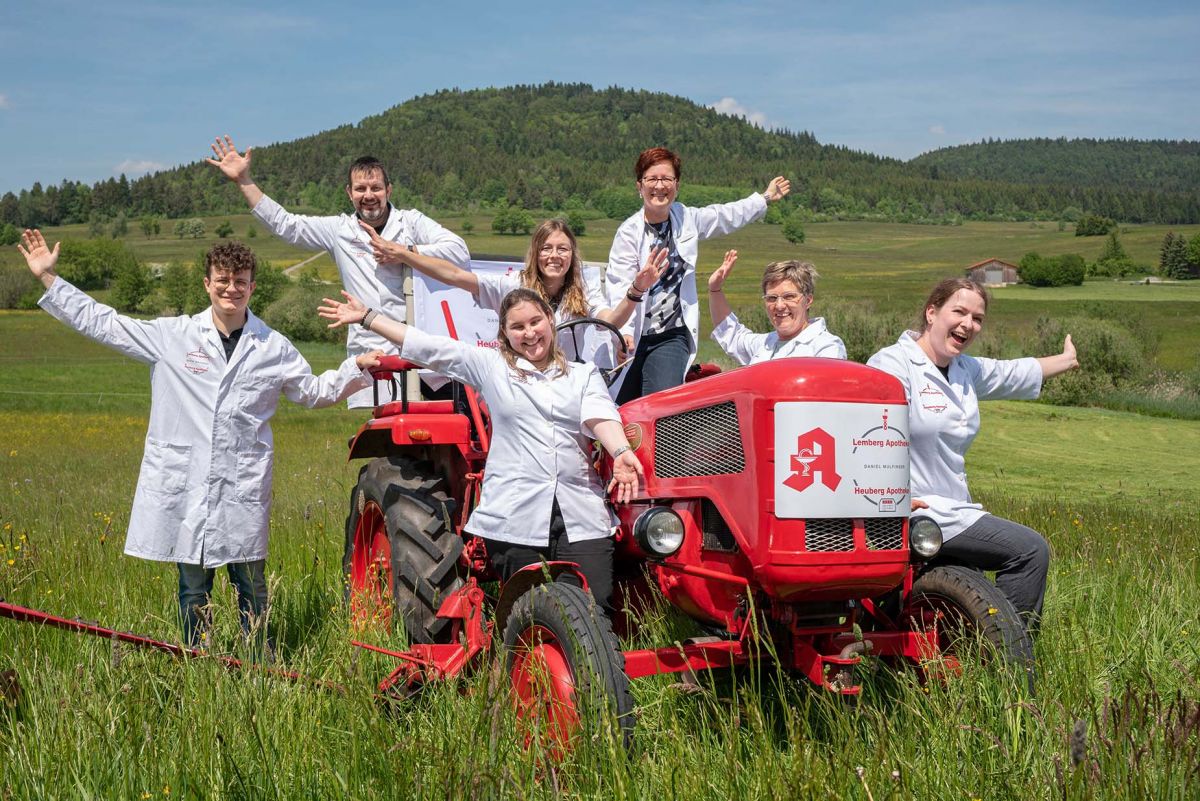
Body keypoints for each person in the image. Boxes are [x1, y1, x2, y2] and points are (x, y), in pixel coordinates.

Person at [17, 230, 381, 650]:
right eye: (222, 280)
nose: (231, 289)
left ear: (252, 287)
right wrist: (49, 279)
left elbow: (313, 392)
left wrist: (356, 367)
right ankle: (198, 659)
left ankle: (258, 662)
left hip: (242, 486)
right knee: (192, 588)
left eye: (240, 281)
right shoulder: (173, 336)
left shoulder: (272, 346)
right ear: (207, 284)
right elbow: (104, 323)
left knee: (253, 585)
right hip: (187, 484)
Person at [318, 287, 643, 613]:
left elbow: (601, 416)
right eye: (518, 327)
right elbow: (428, 346)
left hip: (580, 512)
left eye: (535, 322)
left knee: (595, 606)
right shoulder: (491, 366)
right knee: (528, 611)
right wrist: (368, 317)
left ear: (550, 320)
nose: (529, 333)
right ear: (505, 333)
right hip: (516, 515)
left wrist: (621, 452)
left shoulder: (582, 374)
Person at [866, 278, 1078, 633]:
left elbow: (1011, 373)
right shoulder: (892, 364)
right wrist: (891, 496)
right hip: (913, 510)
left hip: (953, 508)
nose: (968, 324)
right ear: (931, 313)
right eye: (959, 312)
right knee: (1029, 551)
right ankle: (1010, 651)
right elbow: (871, 435)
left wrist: (1066, 360)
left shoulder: (964, 369)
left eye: (977, 318)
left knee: (968, 583)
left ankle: (971, 648)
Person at [205, 135, 468, 407]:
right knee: (392, 426)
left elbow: (458, 251)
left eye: (376, 188)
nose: (368, 195)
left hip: (422, 342)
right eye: (360, 188)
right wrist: (244, 181)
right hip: (374, 347)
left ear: (389, 190)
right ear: (349, 193)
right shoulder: (339, 230)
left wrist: (403, 252)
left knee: (460, 415)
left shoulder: (411, 223)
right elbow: (286, 225)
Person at [606, 146, 792, 402]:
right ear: (639, 186)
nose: (659, 186)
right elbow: (619, 287)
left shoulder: (686, 218)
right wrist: (624, 333)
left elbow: (724, 215)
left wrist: (765, 198)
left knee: (661, 405)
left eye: (667, 179)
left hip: (671, 334)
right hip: (633, 337)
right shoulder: (628, 233)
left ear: (677, 185)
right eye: (652, 179)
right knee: (619, 407)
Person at [359, 216, 666, 364]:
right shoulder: (513, 285)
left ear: (572, 255)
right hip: (522, 378)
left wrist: (637, 289)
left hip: (568, 381)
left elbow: (611, 321)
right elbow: (454, 275)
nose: (554, 256)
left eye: (562, 249)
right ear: (536, 253)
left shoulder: (583, 293)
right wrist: (404, 255)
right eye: (546, 248)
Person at [707, 250, 847, 364]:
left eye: (789, 297)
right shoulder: (764, 344)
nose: (779, 306)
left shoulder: (826, 347)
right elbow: (732, 335)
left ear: (808, 300)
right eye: (772, 298)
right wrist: (715, 289)